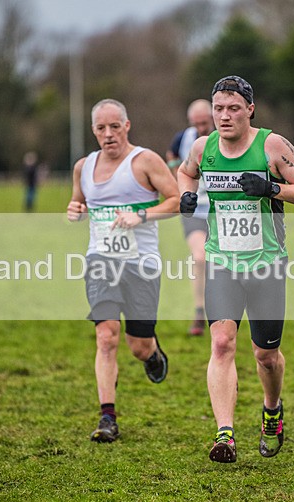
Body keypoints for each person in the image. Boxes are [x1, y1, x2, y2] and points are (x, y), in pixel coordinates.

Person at [178, 75, 294, 463]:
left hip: (266, 266)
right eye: (218, 109)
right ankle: (225, 434)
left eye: (233, 109)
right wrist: (186, 196)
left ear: (250, 110)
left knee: (266, 355)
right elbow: (185, 171)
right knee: (222, 343)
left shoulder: (272, 146)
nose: (224, 117)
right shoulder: (202, 147)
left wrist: (271, 188)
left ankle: (272, 410)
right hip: (222, 262)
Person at [67, 98, 179, 443]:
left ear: (127, 126)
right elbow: (80, 202)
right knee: (106, 335)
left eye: (115, 126)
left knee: (138, 346)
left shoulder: (144, 161)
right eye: (101, 128)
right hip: (100, 261)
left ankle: (153, 352)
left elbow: (176, 200)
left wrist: (141, 215)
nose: (108, 134)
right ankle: (107, 416)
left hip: (141, 265)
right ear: (93, 131)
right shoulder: (83, 167)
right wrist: (76, 210)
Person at [166, 99, 214, 335]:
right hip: (194, 208)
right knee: (200, 257)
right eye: (196, 123)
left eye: (204, 123)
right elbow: (172, 160)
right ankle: (199, 312)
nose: (201, 128)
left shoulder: (225, 136)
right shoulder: (183, 138)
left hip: (221, 210)